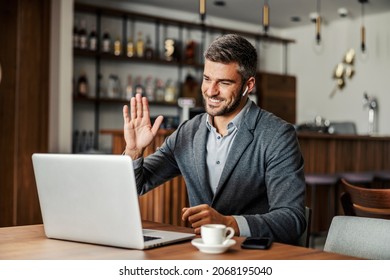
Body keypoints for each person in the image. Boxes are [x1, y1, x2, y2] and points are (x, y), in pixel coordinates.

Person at [122, 34, 306, 244]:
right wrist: (134, 152)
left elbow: (292, 220)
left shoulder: (277, 135)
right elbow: (138, 184)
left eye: (224, 82)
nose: (211, 91)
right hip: (203, 254)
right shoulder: (187, 132)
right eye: (207, 79)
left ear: (249, 85)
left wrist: (231, 224)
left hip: (255, 256)